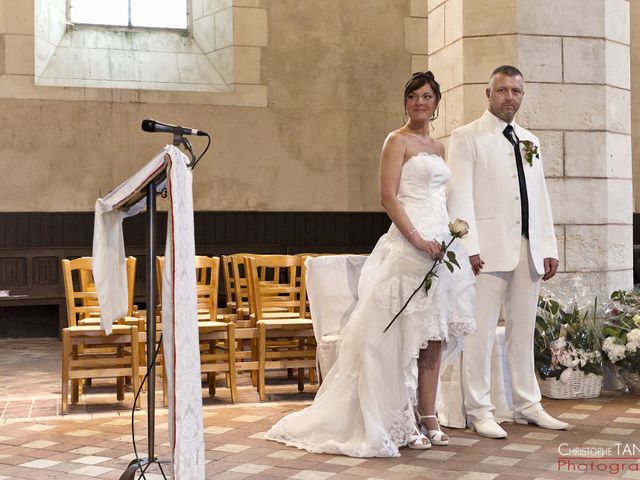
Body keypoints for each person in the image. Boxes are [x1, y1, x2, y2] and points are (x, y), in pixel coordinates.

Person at [264, 71, 476, 457]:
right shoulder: (396, 141)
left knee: (433, 336)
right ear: (405, 102)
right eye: (413, 96)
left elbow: (441, 201)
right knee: (397, 338)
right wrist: (417, 240)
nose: (419, 103)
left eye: (427, 96)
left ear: (437, 104)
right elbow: (388, 198)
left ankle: (428, 415)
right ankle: (399, 418)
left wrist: (450, 240)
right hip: (409, 246)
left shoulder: (439, 147)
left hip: (441, 248)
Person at [447, 65, 569, 439]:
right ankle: (480, 410)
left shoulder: (530, 140)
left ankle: (527, 404)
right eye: (502, 90)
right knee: (480, 333)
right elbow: (459, 195)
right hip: (485, 251)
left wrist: (547, 246)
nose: (509, 97)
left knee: (523, 330)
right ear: (488, 94)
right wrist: (469, 246)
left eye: (516, 91)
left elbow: (541, 197)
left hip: (528, 249)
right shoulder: (467, 136)